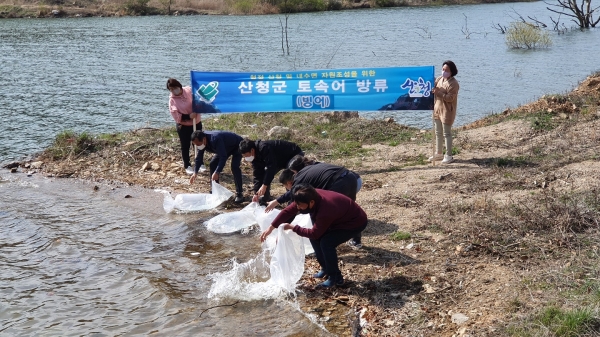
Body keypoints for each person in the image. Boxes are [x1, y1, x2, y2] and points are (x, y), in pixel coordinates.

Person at [260, 184, 368, 288]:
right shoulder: (307, 196)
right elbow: (287, 211)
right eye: (296, 204)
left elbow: (314, 233)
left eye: (300, 205)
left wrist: (293, 227)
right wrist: (271, 227)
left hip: (355, 222)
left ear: (311, 203)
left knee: (326, 243)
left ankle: (335, 278)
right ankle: (325, 269)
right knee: (315, 239)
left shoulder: (325, 209)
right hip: (339, 218)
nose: (298, 207)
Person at [265, 155, 364, 248]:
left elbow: (292, 208)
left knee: (323, 213)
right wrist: (277, 201)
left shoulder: (299, 177)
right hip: (351, 178)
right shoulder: (312, 167)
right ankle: (356, 241)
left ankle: (323, 244)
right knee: (348, 211)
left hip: (338, 184)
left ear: (293, 173)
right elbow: (291, 193)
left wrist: (280, 231)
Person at [238, 139, 303, 204]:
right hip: (278, 161)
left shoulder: (264, 147)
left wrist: (264, 185)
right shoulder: (254, 157)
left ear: (252, 150)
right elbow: (257, 174)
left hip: (293, 155)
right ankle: (264, 201)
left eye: (246, 155)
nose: (246, 158)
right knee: (264, 177)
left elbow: (271, 167)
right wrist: (256, 192)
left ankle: (294, 201)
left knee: (289, 178)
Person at [189, 130, 244, 204]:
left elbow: (223, 157)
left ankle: (239, 193)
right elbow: (199, 158)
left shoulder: (215, 139)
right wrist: (195, 172)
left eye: (198, 144)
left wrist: (217, 172)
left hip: (237, 145)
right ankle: (215, 190)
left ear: (204, 139)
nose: (198, 146)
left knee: (234, 167)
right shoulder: (201, 143)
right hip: (224, 148)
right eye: (196, 145)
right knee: (213, 164)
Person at [166, 78, 205, 174]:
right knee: (185, 145)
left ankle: (200, 162)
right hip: (183, 126)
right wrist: (188, 116)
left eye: (175, 88)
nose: (174, 91)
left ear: (179, 86)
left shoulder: (189, 90)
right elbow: (176, 116)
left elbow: (199, 97)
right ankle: (187, 165)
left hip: (196, 122)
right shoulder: (172, 100)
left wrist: (199, 106)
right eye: (171, 89)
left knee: (199, 143)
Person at [429, 60, 459, 165]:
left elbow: (450, 98)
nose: (444, 71)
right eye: (443, 69)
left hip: (447, 111)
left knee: (447, 133)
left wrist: (439, 93)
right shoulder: (439, 79)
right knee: (438, 132)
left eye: (446, 70)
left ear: (451, 71)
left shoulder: (454, 83)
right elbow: (433, 87)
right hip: (437, 109)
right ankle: (439, 152)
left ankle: (449, 155)